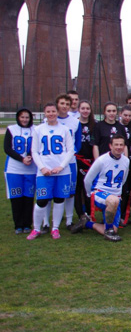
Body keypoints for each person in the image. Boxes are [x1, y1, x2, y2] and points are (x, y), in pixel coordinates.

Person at [27, 103, 75, 240]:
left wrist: (61, 166)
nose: (51, 114)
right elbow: (34, 151)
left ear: (57, 112)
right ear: (45, 113)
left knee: (59, 200)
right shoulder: (38, 129)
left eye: (53, 111)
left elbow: (70, 150)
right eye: (48, 112)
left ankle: (55, 228)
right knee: (42, 200)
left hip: (62, 172)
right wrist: (42, 167)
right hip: (44, 171)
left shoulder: (64, 129)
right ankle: (36, 228)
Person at [71, 135, 129, 242]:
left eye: (121, 145)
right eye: (116, 144)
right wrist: (90, 195)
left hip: (115, 197)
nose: (119, 147)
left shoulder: (126, 161)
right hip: (99, 193)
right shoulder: (102, 160)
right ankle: (109, 232)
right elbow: (87, 179)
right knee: (113, 200)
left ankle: (86, 223)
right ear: (110, 146)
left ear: (124, 146)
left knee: (114, 229)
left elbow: (123, 180)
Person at [4, 108, 36, 235]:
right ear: (18, 117)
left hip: (31, 169)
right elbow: (7, 148)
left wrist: (29, 156)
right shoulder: (11, 129)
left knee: (28, 198)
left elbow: (35, 146)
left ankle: (27, 224)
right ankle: (18, 225)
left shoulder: (35, 130)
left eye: (27, 117)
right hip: (14, 169)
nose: (24, 119)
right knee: (16, 197)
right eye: (22, 117)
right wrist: (21, 159)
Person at [55, 94, 82, 230]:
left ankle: (69, 220)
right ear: (57, 105)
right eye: (62, 103)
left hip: (70, 162)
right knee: (53, 192)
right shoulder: (50, 120)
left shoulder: (75, 122)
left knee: (70, 191)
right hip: (53, 162)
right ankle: (49, 222)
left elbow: (77, 143)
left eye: (67, 104)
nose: (64, 106)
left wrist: (68, 156)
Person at [74, 100, 95, 219]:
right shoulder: (74, 124)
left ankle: (89, 213)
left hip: (90, 161)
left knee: (88, 187)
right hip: (77, 160)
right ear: (79, 110)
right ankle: (80, 214)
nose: (85, 111)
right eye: (83, 108)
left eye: (87, 108)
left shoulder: (95, 125)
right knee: (78, 188)